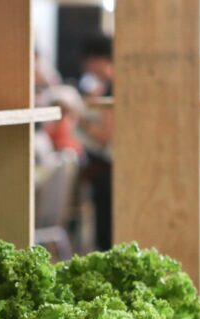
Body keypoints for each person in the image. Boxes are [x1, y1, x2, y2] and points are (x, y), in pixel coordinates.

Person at [77, 33, 114, 252]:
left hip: (110, 169)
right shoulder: (106, 87)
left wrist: (81, 121)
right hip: (108, 168)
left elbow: (105, 134)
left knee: (107, 235)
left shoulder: (112, 87)